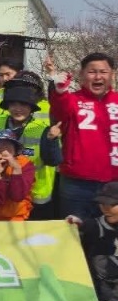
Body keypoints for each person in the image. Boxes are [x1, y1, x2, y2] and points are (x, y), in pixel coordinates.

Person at [47, 52, 118, 220]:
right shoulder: (71, 99)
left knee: (109, 232)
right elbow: (59, 110)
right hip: (76, 183)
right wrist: (60, 91)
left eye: (103, 72)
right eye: (92, 72)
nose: (98, 77)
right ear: (82, 75)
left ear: (112, 75)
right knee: (73, 231)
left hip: (113, 184)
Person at [0, 82, 60, 219]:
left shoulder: (43, 129)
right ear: (8, 106)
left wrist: (52, 140)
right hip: (3, 191)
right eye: (13, 104)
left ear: (31, 108)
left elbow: (54, 160)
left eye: (23, 105)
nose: (18, 109)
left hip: (35, 194)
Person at [67, 182, 118, 301]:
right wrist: (74, 227)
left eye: (111, 204)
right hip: (102, 292)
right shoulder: (94, 226)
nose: (105, 209)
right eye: (102, 203)